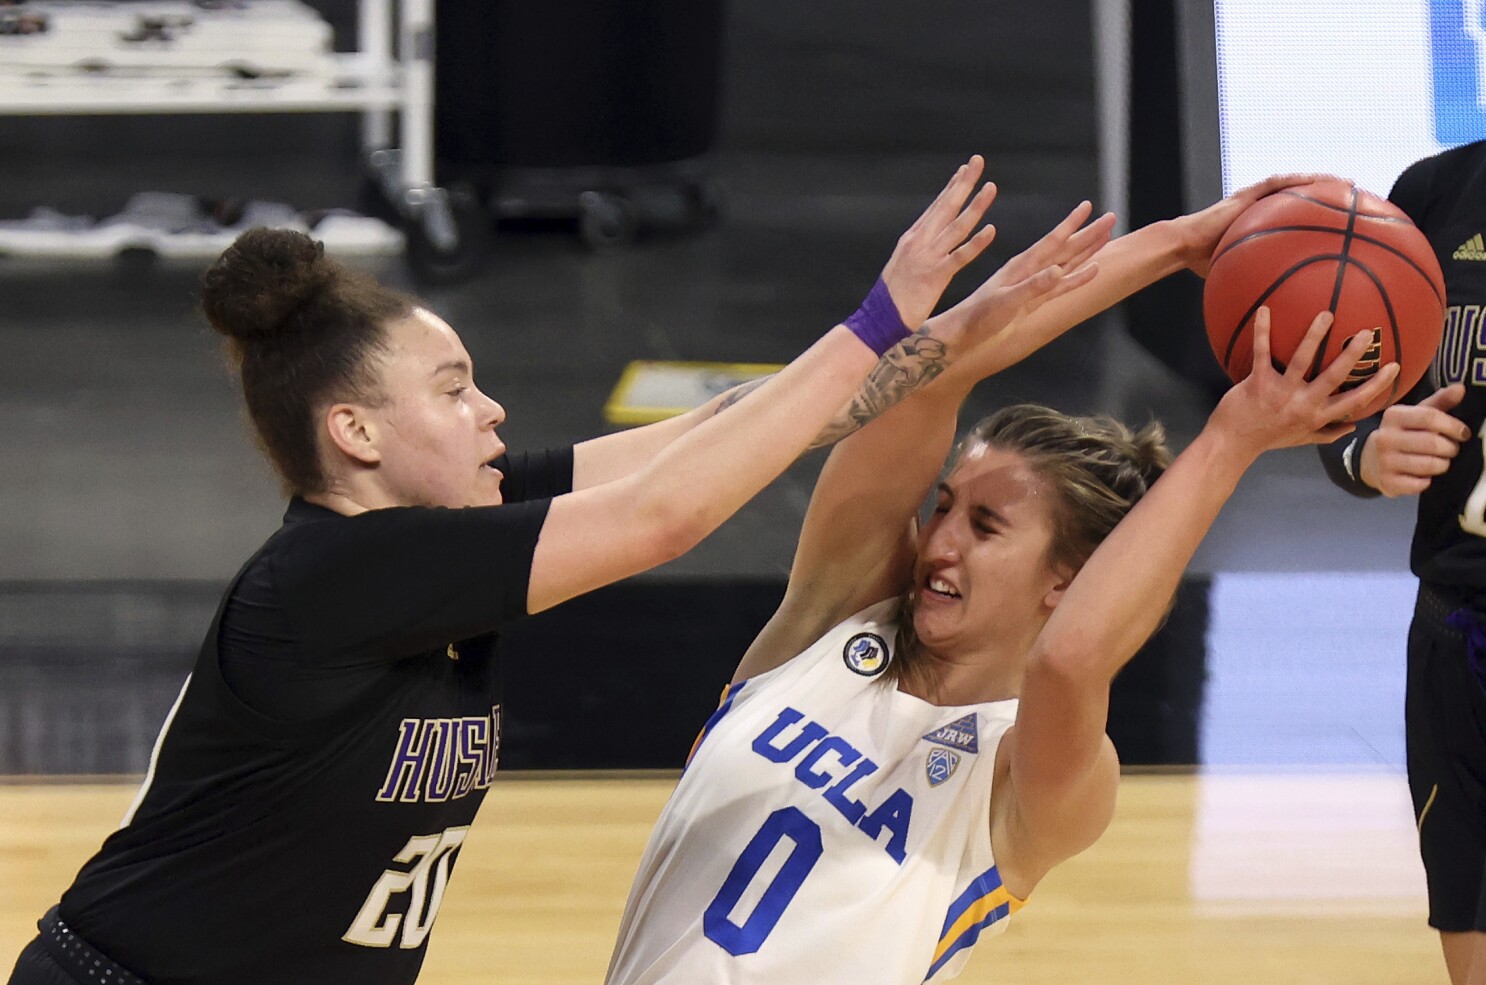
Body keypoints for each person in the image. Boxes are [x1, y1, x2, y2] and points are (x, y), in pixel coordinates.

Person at [5, 157, 1107, 985]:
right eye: (451, 389)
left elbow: (720, 433)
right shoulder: (332, 577)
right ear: (355, 431)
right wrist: (878, 315)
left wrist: (959, 329)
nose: (489, 408)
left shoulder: (459, 521)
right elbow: (667, 512)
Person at [604, 176, 1401, 984]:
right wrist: (1175, 244)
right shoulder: (833, 622)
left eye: (985, 527)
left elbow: (1071, 658)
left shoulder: (1033, 783)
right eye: (944, 505)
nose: (939, 540)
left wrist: (1232, 438)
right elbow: (932, 377)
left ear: (1067, 579)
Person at [1317, 139, 1486, 985]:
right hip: (1459, 622)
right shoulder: (1431, 196)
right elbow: (1339, 410)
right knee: (1467, 899)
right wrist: (1366, 449)